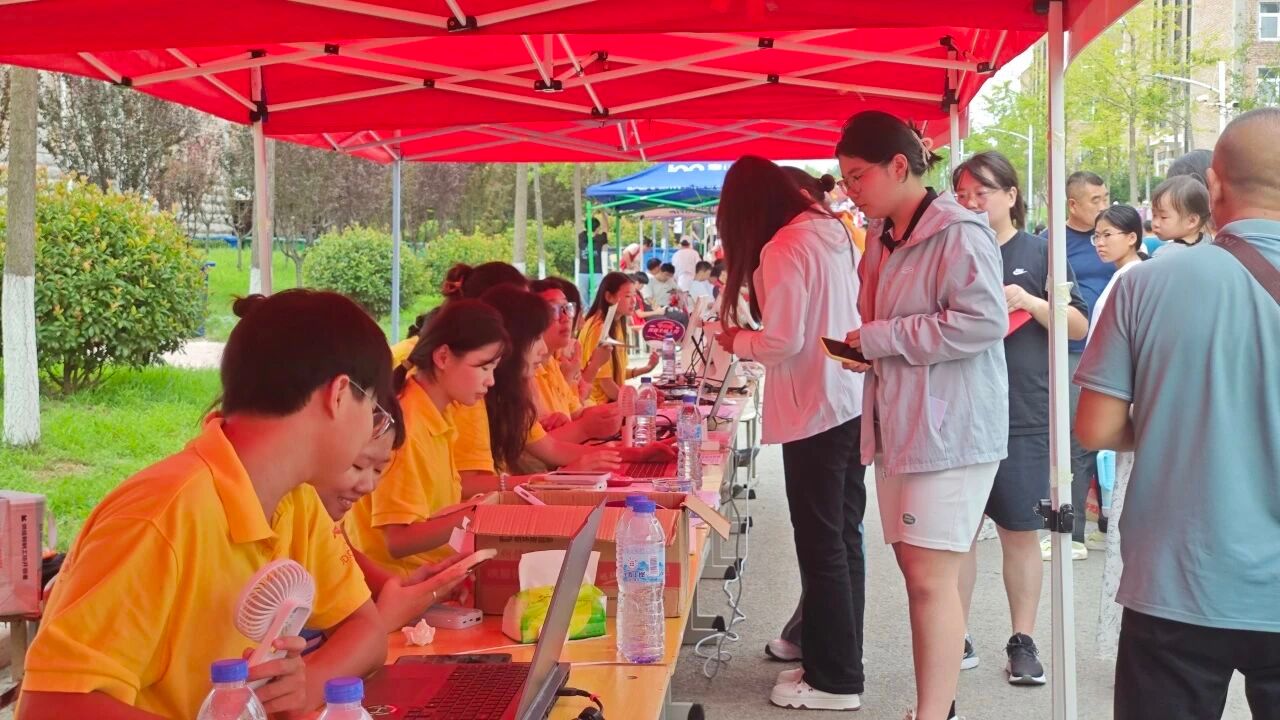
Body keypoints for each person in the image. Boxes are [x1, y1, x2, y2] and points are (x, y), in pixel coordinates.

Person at [19, 290, 391, 720]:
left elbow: (366, 629)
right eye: (374, 410)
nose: (371, 429)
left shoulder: (297, 502)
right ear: (339, 395)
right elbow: (49, 707)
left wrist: (304, 685)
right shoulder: (160, 517)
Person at [1074, 108, 1280, 720]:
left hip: (1177, 580)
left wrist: (1179, 419)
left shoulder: (1147, 282)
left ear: (1212, 186)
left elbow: (1096, 427)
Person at [837, 111, 1008, 720]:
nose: (851, 191)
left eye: (857, 177)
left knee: (929, 577)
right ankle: (935, 708)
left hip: (950, 427)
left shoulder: (959, 231)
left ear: (898, 166)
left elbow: (982, 323)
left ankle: (933, 712)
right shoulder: (882, 236)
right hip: (903, 424)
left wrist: (882, 339)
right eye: (846, 180)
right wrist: (869, 349)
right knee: (922, 571)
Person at [712, 156, 866, 712]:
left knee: (822, 542)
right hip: (848, 396)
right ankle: (836, 657)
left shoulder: (784, 247)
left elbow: (781, 341)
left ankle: (835, 679)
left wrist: (735, 340)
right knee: (843, 538)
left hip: (813, 408)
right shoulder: (832, 231)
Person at [952, 151, 1088, 685]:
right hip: (960, 412)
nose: (972, 203)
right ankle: (954, 633)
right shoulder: (951, 250)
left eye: (982, 193)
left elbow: (1077, 326)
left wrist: (1030, 302)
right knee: (958, 536)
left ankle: (1022, 640)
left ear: (1011, 195)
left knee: (1020, 531)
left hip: (1023, 413)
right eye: (963, 195)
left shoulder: (1042, 252)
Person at [344, 300, 508, 577]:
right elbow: (398, 540)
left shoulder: (438, 411)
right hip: (402, 582)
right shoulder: (410, 423)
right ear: (443, 357)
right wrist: (480, 514)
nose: (490, 381)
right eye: (483, 367)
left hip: (436, 574)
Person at [455, 285, 670, 486]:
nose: (542, 349)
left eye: (569, 309)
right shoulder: (472, 398)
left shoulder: (509, 394)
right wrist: (557, 479)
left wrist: (636, 454)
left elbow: (551, 447)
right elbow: (470, 485)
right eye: (536, 338)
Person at [313, 393, 476, 633]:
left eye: (379, 470)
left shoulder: (322, 519)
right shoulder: (299, 509)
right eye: (357, 465)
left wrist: (410, 588)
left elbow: (345, 557)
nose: (368, 486)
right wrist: (384, 621)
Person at [1081, 204, 1146, 660]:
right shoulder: (1124, 277)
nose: (1100, 242)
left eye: (1109, 234)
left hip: (1122, 409)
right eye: (1097, 235)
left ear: (1132, 237)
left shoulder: (1134, 279)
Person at [1047, 170, 1114, 560]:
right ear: (1072, 204)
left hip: (1116, 351)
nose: (1103, 206)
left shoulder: (1114, 236)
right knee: (1077, 440)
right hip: (1073, 353)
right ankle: (1072, 532)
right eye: (1095, 200)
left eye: (1106, 198)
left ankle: (1107, 525)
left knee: (1112, 438)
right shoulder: (1052, 244)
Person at [529, 278, 622, 441]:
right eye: (552, 310)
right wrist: (594, 365)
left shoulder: (551, 363)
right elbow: (542, 446)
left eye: (568, 308)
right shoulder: (525, 373)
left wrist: (629, 406)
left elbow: (576, 412)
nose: (566, 318)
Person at [578, 272, 659, 405]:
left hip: (611, 405)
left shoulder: (616, 324)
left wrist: (647, 368)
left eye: (634, 295)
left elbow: (617, 373)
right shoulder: (598, 328)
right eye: (627, 296)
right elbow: (606, 384)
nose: (633, 301)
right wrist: (637, 403)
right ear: (609, 297)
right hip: (598, 407)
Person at [1150, 175, 1212, 255]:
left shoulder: (1163, 255)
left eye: (1163, 217)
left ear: (1192, 221)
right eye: (1154, 215)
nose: (1155, 224)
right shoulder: (1210, 243)